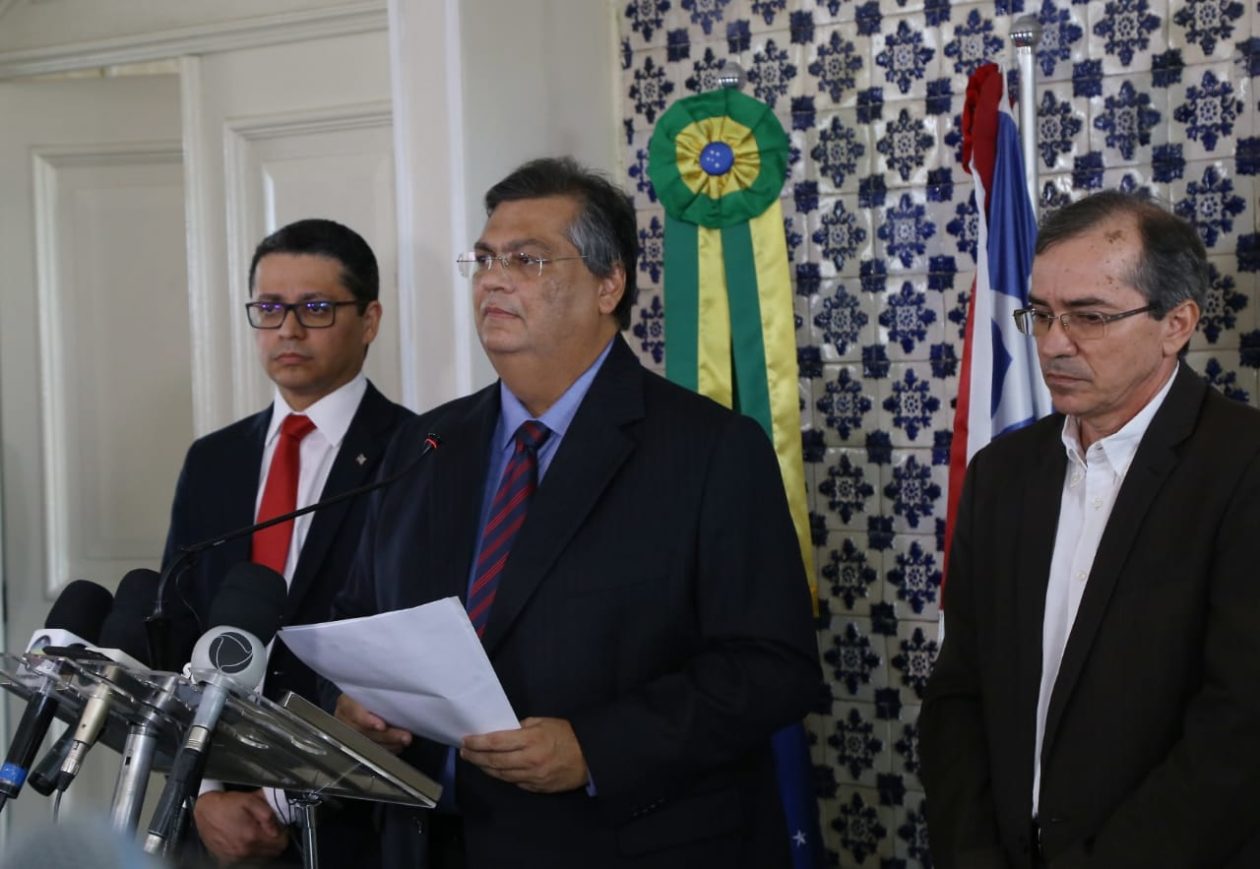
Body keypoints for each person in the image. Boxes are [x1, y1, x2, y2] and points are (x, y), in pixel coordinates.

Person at [325, 157, 820, 869]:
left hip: (624, 844)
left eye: (527, 260)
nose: (493, 279)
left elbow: (774, 667)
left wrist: (596, 745)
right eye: (486, 258)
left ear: (608, 283)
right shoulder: (426, 442)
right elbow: (360, 617)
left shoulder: (708, 448)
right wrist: (353, 703)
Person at [921, 190, 1260, 867]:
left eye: (1089, 317)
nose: (1053, 344)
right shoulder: (1003, 473)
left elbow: (1239, 730)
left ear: (1177, 323)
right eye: (1041, 314)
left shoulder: (1242, 466)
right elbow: (960, 689)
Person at [162, 218, 413, 866]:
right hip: (214, 817)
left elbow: (405, 654)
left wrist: (280, 796)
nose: (288, 330)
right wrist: (204, 792)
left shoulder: (417, 454)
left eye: (316, 308)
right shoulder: (214, 458)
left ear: (371, 318)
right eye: (270, 308)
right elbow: (176, 629)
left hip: (354, 818)